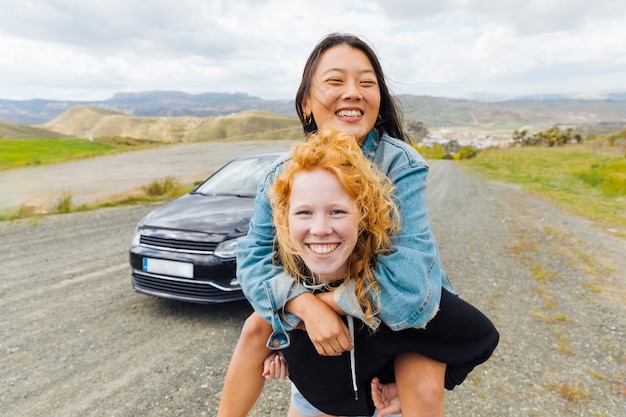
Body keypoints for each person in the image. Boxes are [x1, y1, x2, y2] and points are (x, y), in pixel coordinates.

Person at [216, 33, 499, 417]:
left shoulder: (399, 164)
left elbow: (407, 286)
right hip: (331, 306)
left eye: (367, 83)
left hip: (397, 311)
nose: (353, 92)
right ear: (306, 104)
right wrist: (303, 306)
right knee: (259, 331)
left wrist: (321, 305)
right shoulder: (283, 175)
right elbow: (252, 259)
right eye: (335, 81)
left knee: (422, 390)